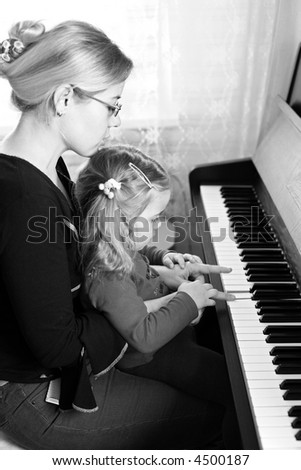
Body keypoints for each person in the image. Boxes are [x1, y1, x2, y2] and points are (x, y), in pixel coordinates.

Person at [0, 19, 237, 450]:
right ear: (65, 98)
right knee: (229, 408)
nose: (115, 120)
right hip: (34, 395)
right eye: (112, 105)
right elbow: (60, 350)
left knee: (205, 359)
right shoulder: (22, 200)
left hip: (63, 368)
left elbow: (89, 248)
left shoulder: (47, 170)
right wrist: (153, 304)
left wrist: (157, 265)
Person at [74, 144, 241, 449]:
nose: (159, 225)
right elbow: (143, 336)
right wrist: (188, 300)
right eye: (153, 219)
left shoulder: (111, 240)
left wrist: (164, 257)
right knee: (235, 388)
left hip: (167, 328)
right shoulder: (105, 271)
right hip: (150, 355)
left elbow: (138, 254)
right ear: (121, 220)